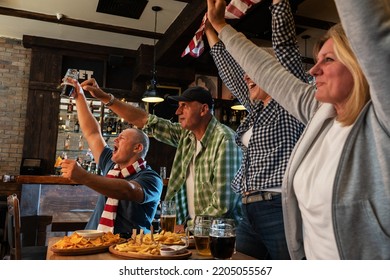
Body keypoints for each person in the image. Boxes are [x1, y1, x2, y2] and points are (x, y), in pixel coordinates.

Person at [207, 0, 390, 259]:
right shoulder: (318, 112)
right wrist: (219, 26)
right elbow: (262, 68)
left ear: (360, 63)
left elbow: (371, 29)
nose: (314, 70)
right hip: (253, 213)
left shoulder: (382, 117)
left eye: (328, 60)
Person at [204, 0, 305, 260]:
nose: (247, 76)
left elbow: (285, 49)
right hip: (247, 208)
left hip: (278, 206)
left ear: (273, 74)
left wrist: (280, 4)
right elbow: (229, 70)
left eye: (255, 72)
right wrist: (208, 29)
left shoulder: (289, 103)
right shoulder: (255, 108)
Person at [79, 82, 243, 227]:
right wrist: (105, 97)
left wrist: (189, 228)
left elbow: (223, 204)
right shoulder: (187, 135)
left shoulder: (225, 140)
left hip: (217, 234)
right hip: (188, 230)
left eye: (184, 105)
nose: (178, 111)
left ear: (203, 109)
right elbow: (145, 120)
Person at [60, 80, 163, 235]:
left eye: (121, 138)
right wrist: (79, 96)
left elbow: (127, 190)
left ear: (137, 148)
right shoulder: (111, 165)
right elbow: (92, 133)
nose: (115, 140)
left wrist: (84, 177)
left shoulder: (151, 179)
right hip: (94, 239)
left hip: (129, 249)